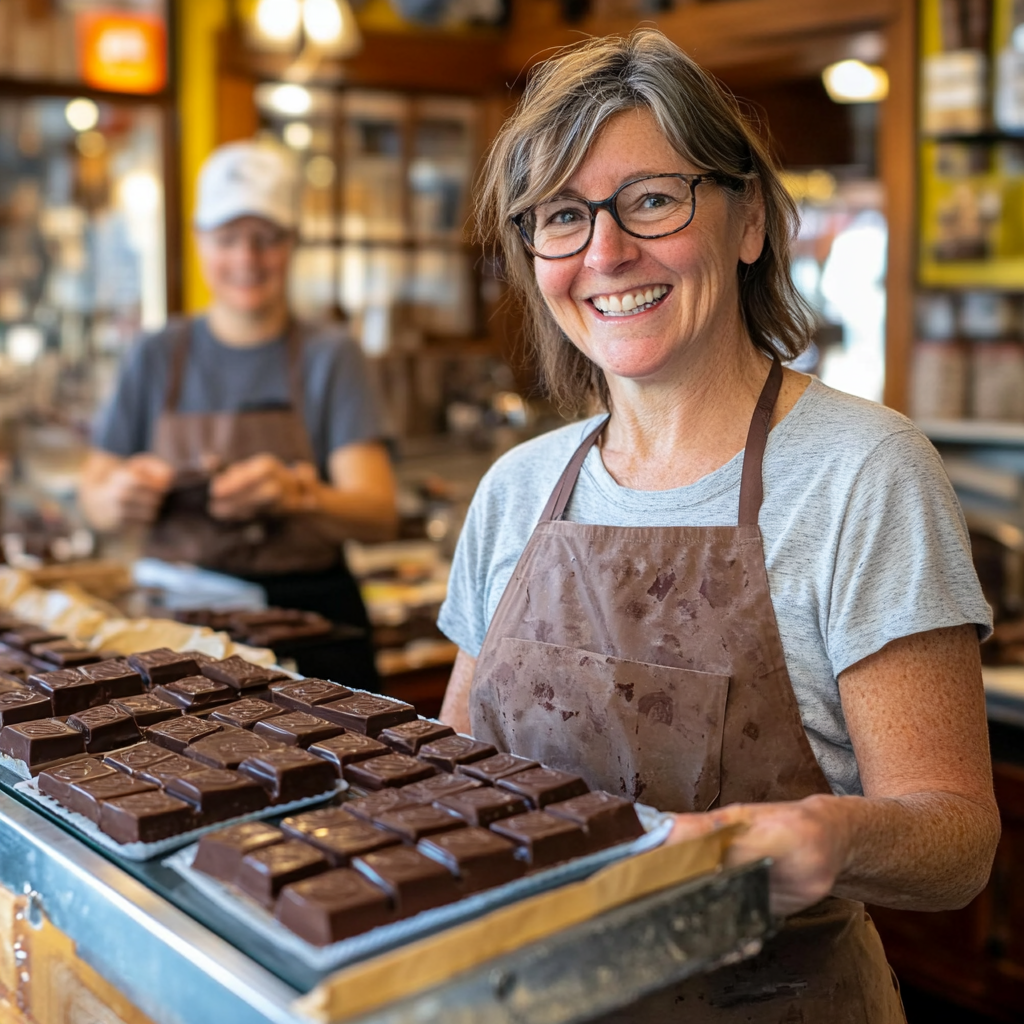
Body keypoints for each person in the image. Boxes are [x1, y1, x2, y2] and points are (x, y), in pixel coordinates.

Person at [437, 29, 999, 1022]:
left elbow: (957, 842)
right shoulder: (519, 489)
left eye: (652, 199)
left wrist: (833, 836)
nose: (605, 252)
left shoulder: (862, 471)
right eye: (562, 215)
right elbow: (453, 774)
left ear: (747, 221)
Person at [79, 141, 396, 686]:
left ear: (292, 241)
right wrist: (119, 495)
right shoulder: (157, 352)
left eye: (266, 238)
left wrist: (297, 494)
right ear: (201, 241)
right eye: (227, 239)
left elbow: (378, 513)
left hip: (307, 627)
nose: (246, 259)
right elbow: (94, 495)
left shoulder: (331, 354)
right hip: (173, 627)